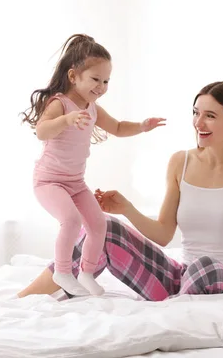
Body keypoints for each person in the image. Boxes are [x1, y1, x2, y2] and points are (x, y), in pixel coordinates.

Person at [18, 80, 223, 301]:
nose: (198, 123)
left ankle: (175, 309)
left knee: (204, 266)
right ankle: (25, 298)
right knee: (105, 227)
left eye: (210, 116)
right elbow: (164, 234)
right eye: (196, 113)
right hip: (180, 279)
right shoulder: (181, 162)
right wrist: (127, 209)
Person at [20, 34, 166, 296]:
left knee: (98, 224)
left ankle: (87, 273)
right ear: (74, 76)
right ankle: (64, 273)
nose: (101, 86)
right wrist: (66, 120)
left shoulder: (93, 108)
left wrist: (142, 127)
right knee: (71, 220)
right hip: (49, 181)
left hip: (75, 183)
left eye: (106, 81)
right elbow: (42, 131)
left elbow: (119, 128)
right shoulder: (59, 103)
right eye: (95, 79)